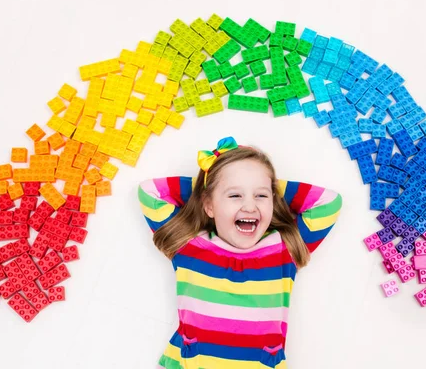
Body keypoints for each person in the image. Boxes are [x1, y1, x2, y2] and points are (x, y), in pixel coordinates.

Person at [138, 136, 343, 368]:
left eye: (261, 196)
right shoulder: (189, 245)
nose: (249, 206)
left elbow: (328, 203)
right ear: (208, 205)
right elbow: (150, 192)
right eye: (235, 195)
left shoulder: (285, 249)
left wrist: (268, 182)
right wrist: (209, 184)